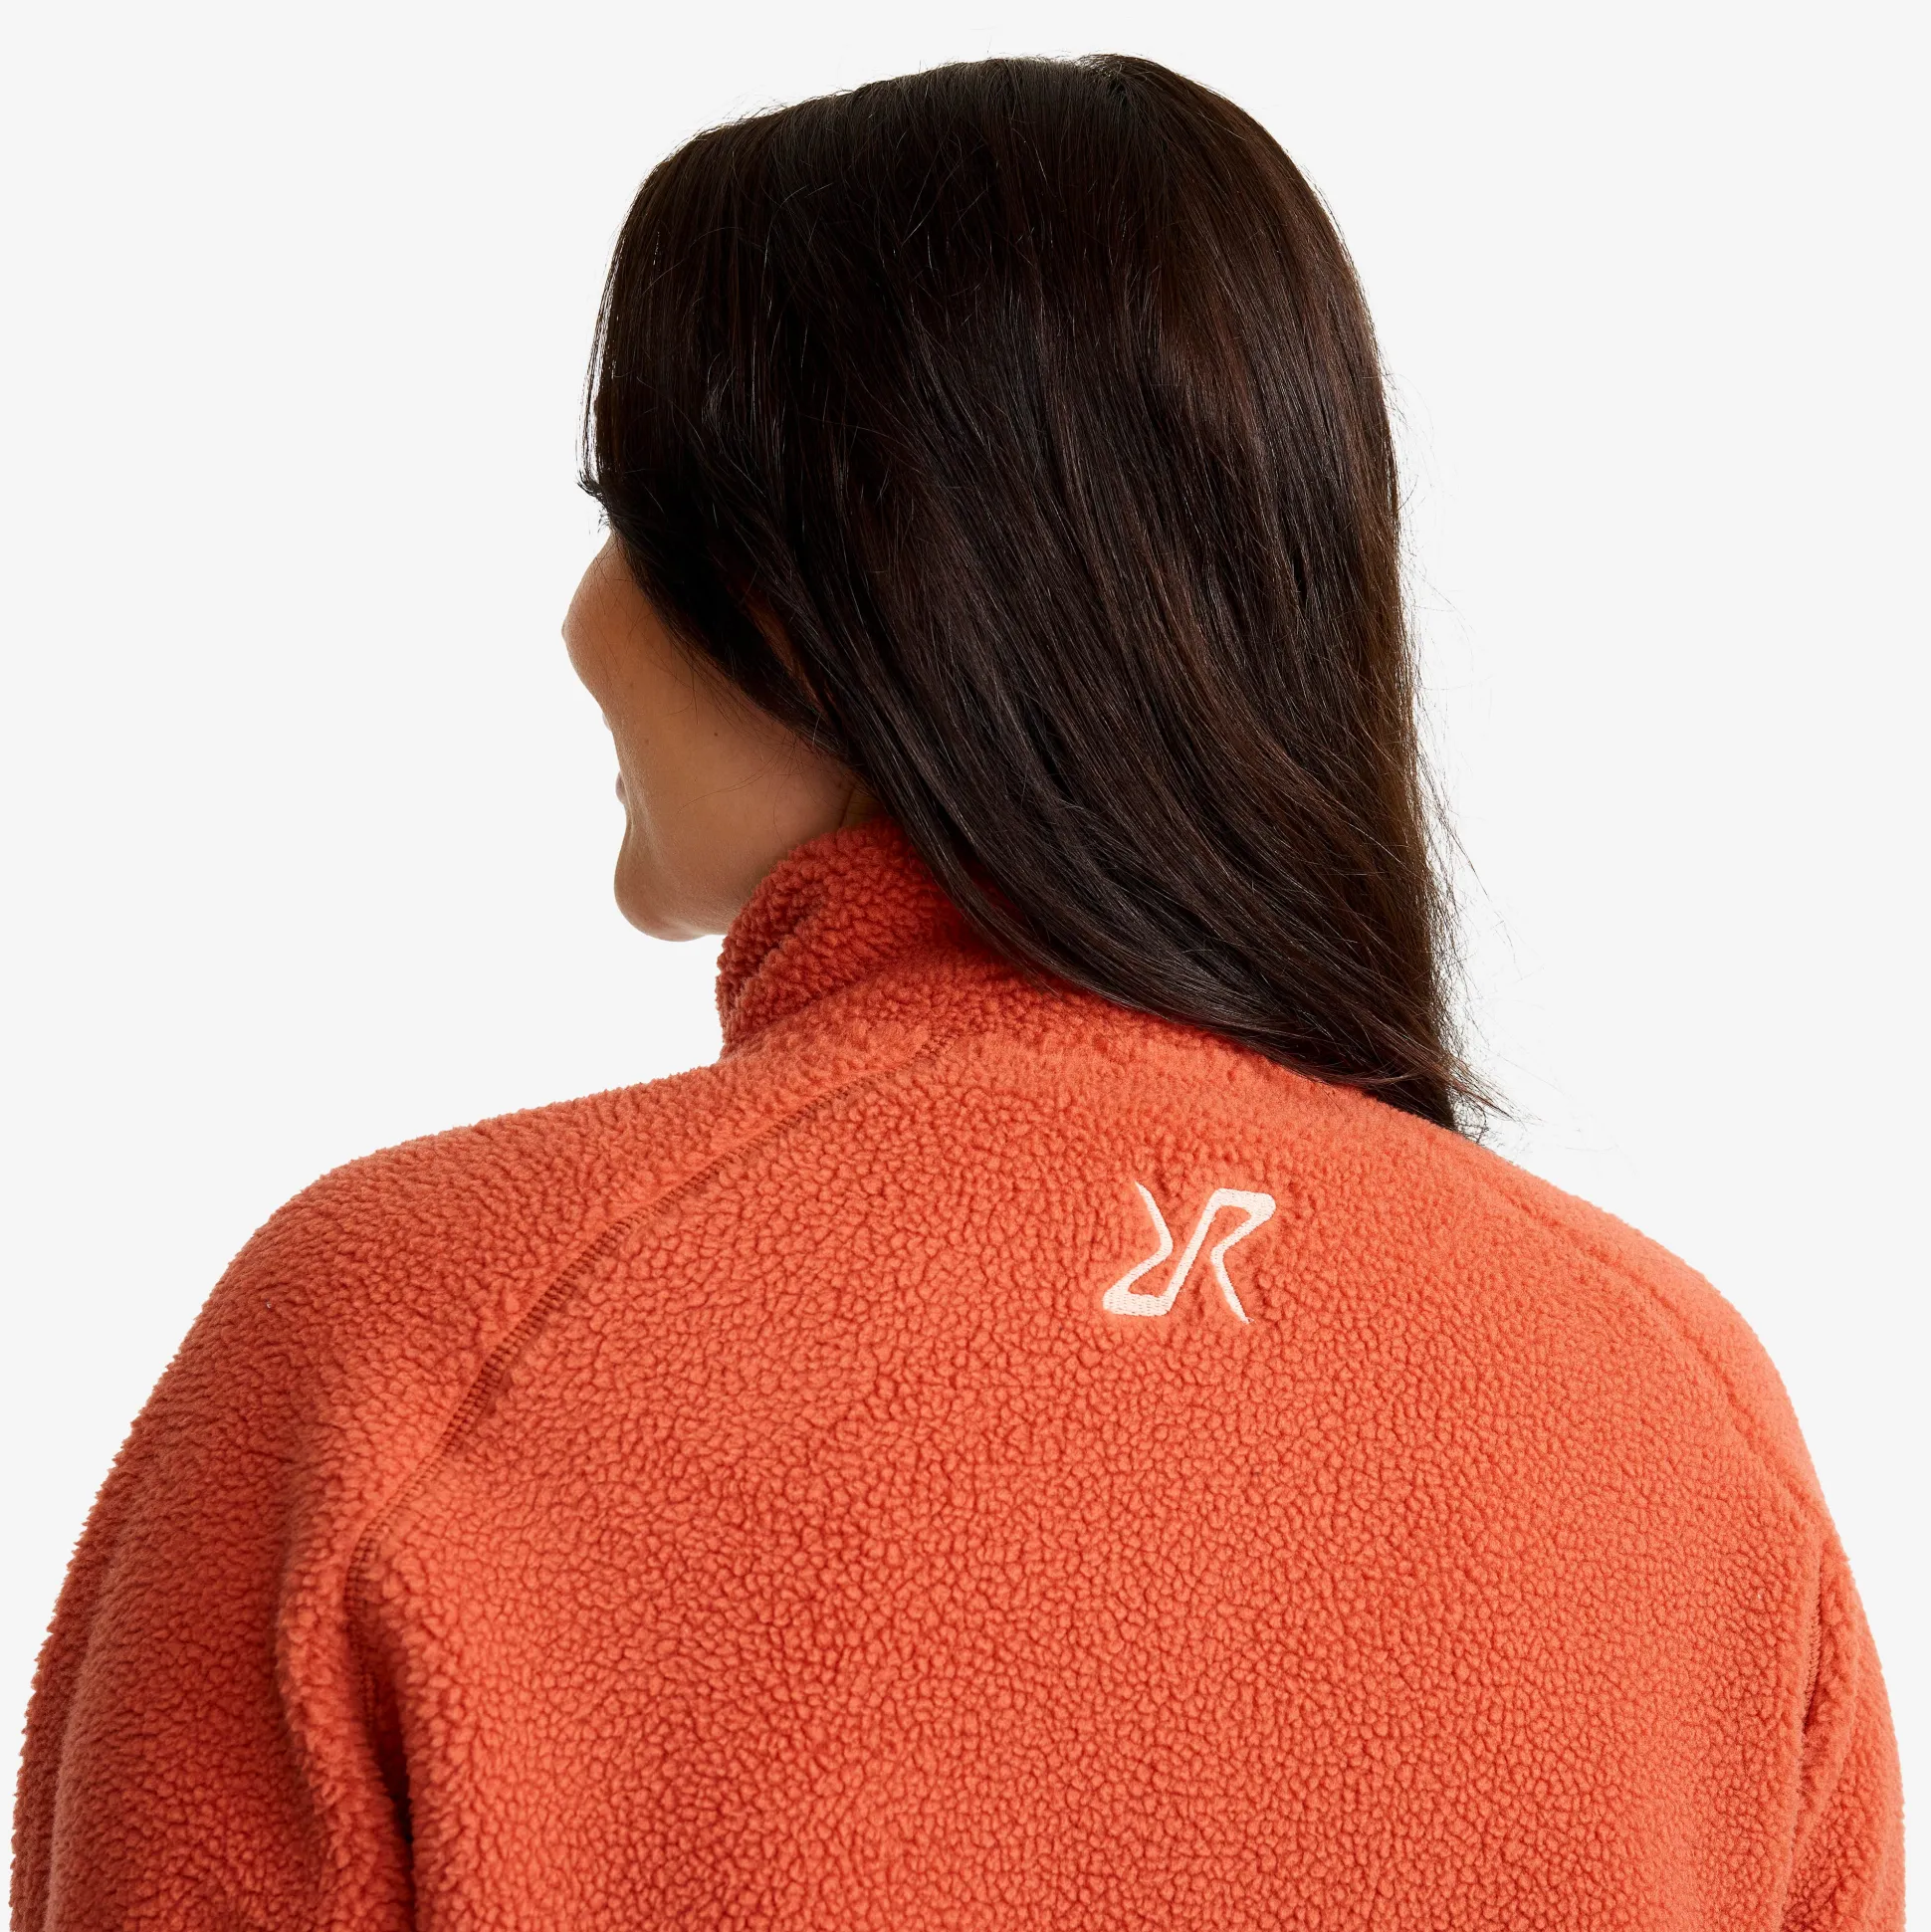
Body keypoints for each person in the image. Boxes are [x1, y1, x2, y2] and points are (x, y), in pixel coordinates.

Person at [12, 53, 1902, 1932]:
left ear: (811, 597)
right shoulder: (1680, 1422)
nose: (580, 620)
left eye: (628, 520)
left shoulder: (404, 1344)